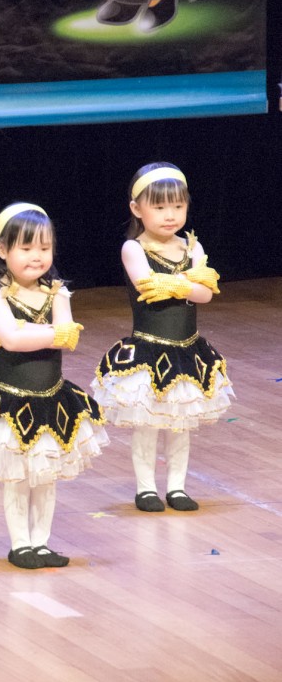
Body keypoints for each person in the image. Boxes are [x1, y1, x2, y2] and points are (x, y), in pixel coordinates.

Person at [0, 203, 108, 569]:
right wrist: (47, 333)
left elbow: (67, 338)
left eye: (44, 247)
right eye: (26, 248)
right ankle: (20, 544)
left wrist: (35, 332)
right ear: (2, 249)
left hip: (53, 400)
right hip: (13, 402)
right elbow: (11, 340)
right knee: (18, 477)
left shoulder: (58, 292)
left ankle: (41, 543)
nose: (37, 256)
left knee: (46, 478)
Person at [92, 163, 232, 513]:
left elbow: (205, 294)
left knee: (179, 424)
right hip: (149, 352)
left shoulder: (192, 247)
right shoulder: (133, 248)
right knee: (148, 424)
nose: (170, 215)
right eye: (159, 207)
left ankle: (177, 487)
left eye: (178, 206)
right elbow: (147, 286)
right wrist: (188, 283)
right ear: (137, 209)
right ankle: (145, 488)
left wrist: (177, 284)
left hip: (188, 351)